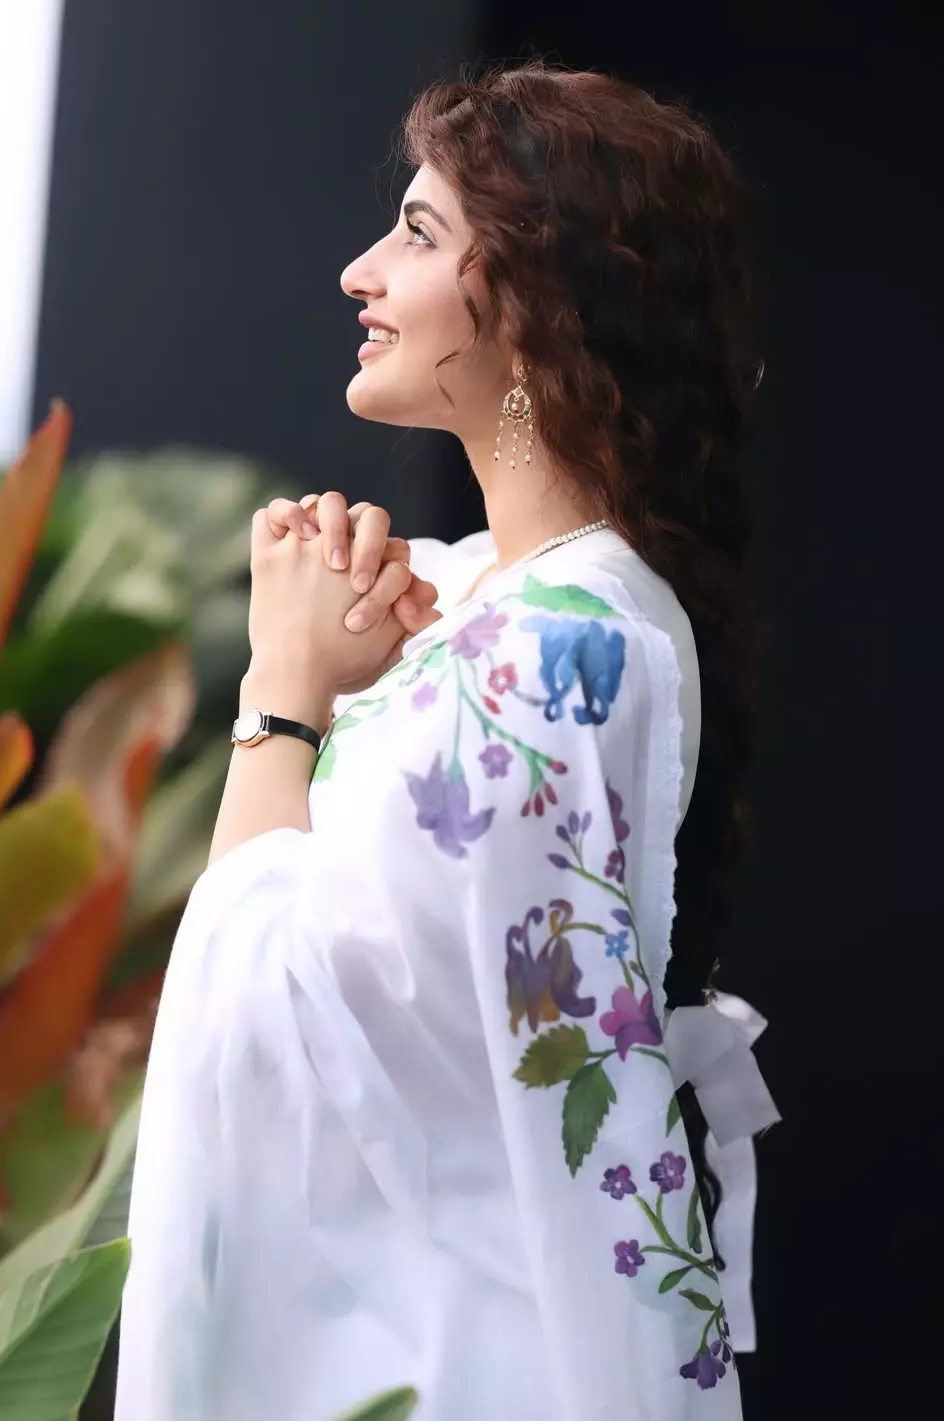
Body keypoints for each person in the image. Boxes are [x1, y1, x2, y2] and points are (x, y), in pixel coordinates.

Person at [115, 61, 779, 1420]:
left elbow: (266, 1038)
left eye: (418, 234)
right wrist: (350, 662)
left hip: (460, 1365)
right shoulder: (493, 602)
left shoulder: (547, 656)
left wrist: (286, 689)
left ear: (536, 301)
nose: (360, 272)